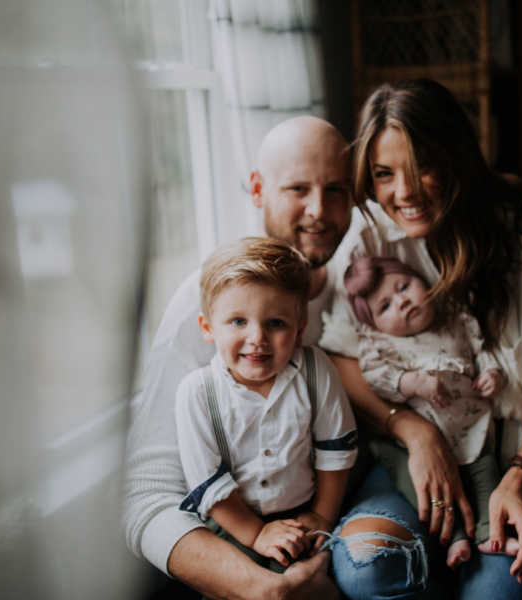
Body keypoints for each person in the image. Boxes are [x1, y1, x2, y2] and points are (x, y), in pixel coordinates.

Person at [318, 79, 522, 599]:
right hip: (415, 452)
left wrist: (518, 477)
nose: (402, 194)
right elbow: (342, 356)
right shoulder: (371, 239)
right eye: (385, 174)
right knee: (371, 565)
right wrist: (413, 431)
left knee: (499, 590)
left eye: (421, 168)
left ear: (456, 155)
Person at [123, 115, 353, 599]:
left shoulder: (368, 286)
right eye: (296, 188)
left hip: (330, 513)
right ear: (257, 190)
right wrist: (262, 588)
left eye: (336, 189)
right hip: (238, 535)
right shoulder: (207, 304)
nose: (319, 210)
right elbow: (144, 496)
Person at [175, 237, 357, 573]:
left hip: (308, 511)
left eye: (275, 323)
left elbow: (335, 452)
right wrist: (257, 534)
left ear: (299, 328)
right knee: (243, 585)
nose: (257, 337)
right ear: (208, 328)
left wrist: (321, 516)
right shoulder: (198, 392)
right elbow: (209, 484)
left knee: (312, 578)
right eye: (238, 322)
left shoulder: (316, 371)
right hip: (233, 523)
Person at [324, 255, 510, 569]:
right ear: (374, 324)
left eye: (405, 286)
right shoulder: (380, 345)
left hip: (468, 426)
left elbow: (483, 351)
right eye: (385, 306)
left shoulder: (455, 320)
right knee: (423, 489)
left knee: (486, 477)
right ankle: (456, 538)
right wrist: (412, 383)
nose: (401, 302)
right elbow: (377, 379)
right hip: (414, 445)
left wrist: (493, 374)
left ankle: (488, 534)